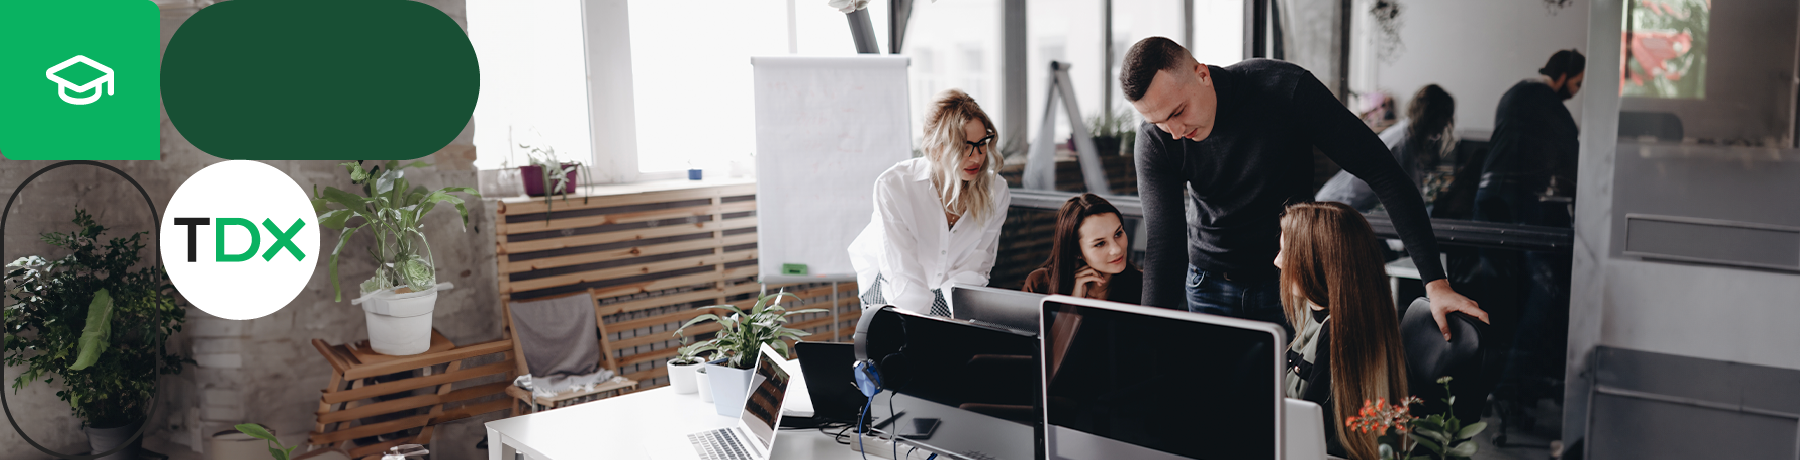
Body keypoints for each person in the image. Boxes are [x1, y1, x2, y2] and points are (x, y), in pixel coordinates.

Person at [1119, 36, 1486, 339]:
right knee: (1222, 415)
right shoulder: (1156, 139)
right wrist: (1153, 335)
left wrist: (1435, 282)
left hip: (1293, 282)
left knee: (1300, 410)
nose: (1175, 132)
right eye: (1158, 122)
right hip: (1208, 284)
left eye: (1178, 112)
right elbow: (1165, 244)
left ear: (1202, 74)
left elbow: (1382, 170)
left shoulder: (1283, 89)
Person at [849, 89, 1012, 316]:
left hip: (949, 287)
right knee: (897, 347)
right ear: (936, 147)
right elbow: (902, 270)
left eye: (981, 143)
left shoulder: (996, 191)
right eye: (964, 147)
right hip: (891, 284)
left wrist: (963, 317)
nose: (976, 157)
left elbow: (976, 265)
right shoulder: (895, 185)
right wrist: (918, 328)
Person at [1275, 201, 1409, 460]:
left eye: (1286, 252)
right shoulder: (1312, 311)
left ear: (1316, 262)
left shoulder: (1337, 333)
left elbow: (1307, 436)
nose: (1278, 262)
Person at [1315, 84, 1458, 212]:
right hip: (1335, 206)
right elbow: (1410, 200)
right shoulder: (1402, 144)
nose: (1446, 124)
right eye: (1445, 116)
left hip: (1339, 204)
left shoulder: (1407, 137)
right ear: (1432, 115)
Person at [1020, 193, 1143, 303]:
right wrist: (1072, 306)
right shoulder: (1040, 285)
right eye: (1100, 243)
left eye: (1118, 234)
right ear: (1076, 251)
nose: (1116, 249)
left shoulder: (1143, 285)